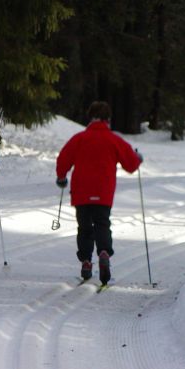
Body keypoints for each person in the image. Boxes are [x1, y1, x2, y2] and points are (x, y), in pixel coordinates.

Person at [55, 101, 142, 285]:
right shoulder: (113, 139)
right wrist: (138, 158)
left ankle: (86, 261)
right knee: (102, 224)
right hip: (103, 192)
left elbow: (64, 158)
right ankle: (103, 252)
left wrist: (62, 177)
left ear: (90, 117)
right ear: (108, 119)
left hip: (81, 192)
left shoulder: (79, 138)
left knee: (84, 228)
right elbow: (131, 164)